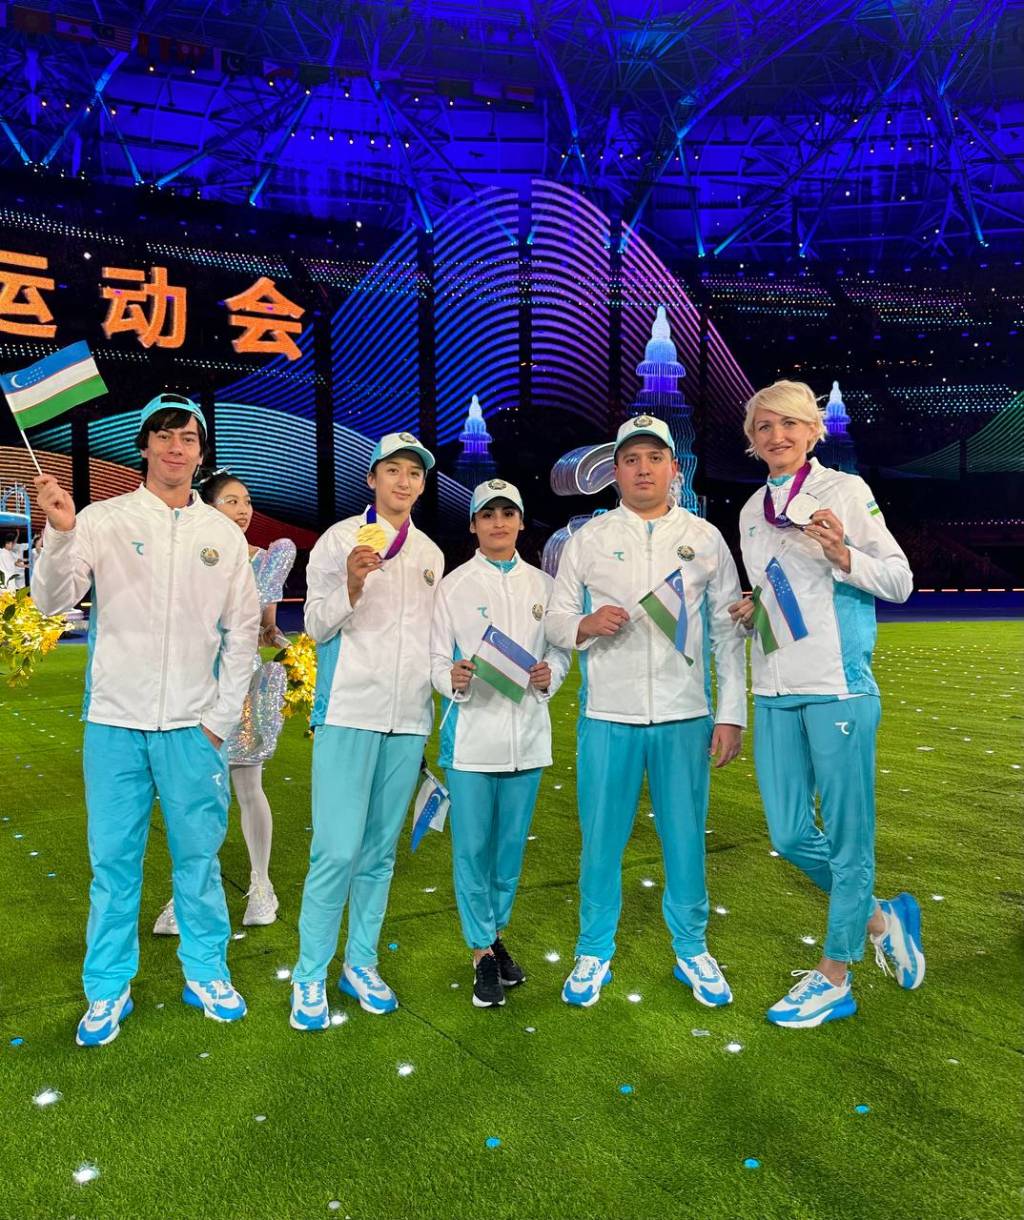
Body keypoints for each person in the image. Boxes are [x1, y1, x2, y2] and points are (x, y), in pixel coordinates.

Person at [32, 393, 260, 1047]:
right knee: (113, 864)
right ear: (143, 445)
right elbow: (51, 601)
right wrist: (60, 533)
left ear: (200, 451)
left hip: (193, 729)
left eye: (187, 437)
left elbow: (242, 632)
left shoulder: (222, 534)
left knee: (199, 861)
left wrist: (218, 721)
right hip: (114, 722)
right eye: (162, 435)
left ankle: (206, 972)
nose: (174, 447)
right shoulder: (101, 519)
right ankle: (108, 988)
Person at [730, 379, 923, 1029]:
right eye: (764, 426)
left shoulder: (846, 491)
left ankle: (836, 974)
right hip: (774, 687)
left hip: (838, 686)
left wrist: (843, 553)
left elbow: (898, 580)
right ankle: (881, 920)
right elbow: (778, 592)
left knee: (847, 840)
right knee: (789, 834)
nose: (777, 435)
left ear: (813, 431)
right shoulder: (751, 510)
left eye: (790, 423)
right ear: (752, 440)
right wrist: (753, 607)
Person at [546, 415, 746, 1009]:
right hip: (609, 716)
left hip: (685, 717)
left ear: (673, 469)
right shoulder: (588, 539)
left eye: (654, 458)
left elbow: (726, 633)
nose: (642, 469)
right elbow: (555, 619)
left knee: (685, 840)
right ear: (614, 471)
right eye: (631, 459)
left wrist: (731, 713)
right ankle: (593, 950)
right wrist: (584, 624)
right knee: (601, 842)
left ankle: (692, 949)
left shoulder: (704, 538)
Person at [289, 432, 444, 1032]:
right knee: (335, 850)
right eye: (393, 470)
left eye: (414, 473)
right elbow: (315, 625)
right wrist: (351, 586)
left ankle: (361, 964)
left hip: (408, 720)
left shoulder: (430, 554)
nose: (404, 481)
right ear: (372, 478)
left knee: (379, 854)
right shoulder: (339, 540)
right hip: (348, 712)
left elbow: (433, 641)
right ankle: (309, 974)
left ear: (422, 485)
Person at [430, 479, 571, 1008]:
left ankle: (492, 936)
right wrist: (451, 677)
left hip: (528, 740)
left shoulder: (545, 586)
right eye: (487, 514)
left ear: (520, 522)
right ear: (473, 525)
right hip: (471, 740)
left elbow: (560, 652)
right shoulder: (453, 586)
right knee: (472, 851)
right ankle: (481, 953)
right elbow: (434, 659)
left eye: (507, 513)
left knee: (508, 853)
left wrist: (550, 674)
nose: (498, 523)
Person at [153, 472, 296, 936]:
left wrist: (288, 649)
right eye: (231, 501)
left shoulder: (266, 559)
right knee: (193, 793)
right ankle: (187, 893)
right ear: (207, 506)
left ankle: (261, 885)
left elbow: (267, 629)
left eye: (247, 501)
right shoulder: (182, 556)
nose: (243, 509)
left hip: (243, 687)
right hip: (192, 688)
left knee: (249, 787)